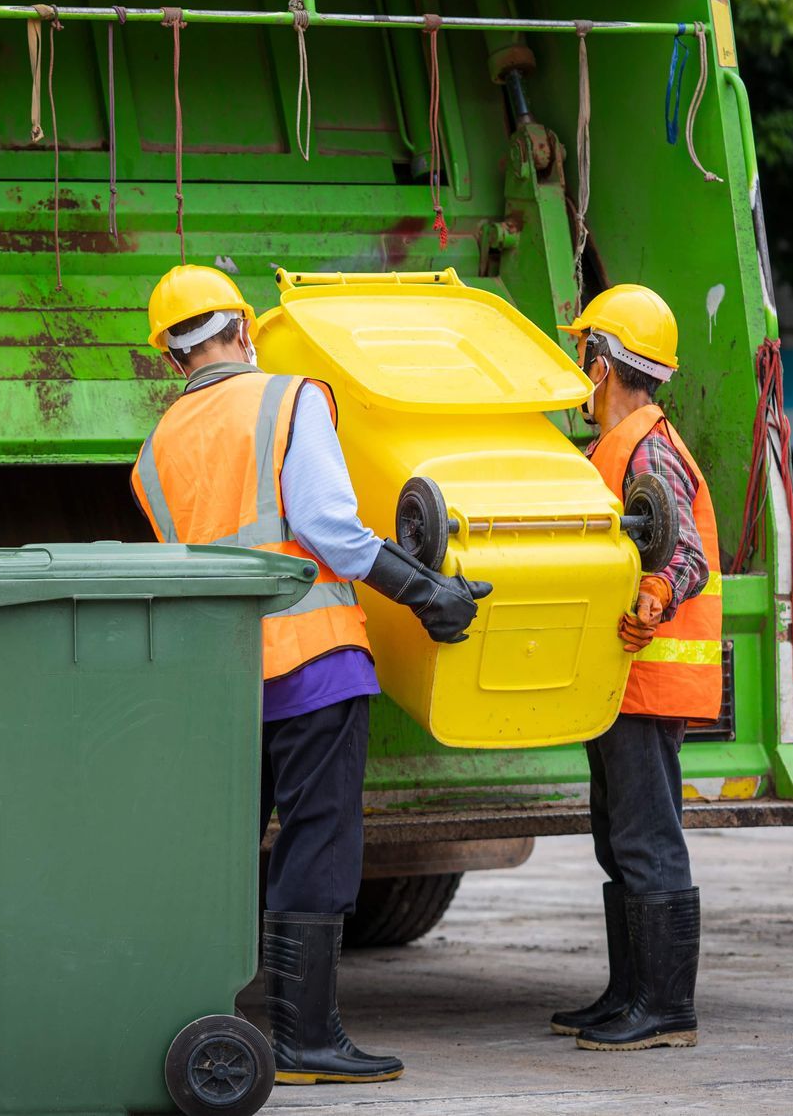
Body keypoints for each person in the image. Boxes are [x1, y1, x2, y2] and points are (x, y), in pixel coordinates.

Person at [129, 264, 492, 1084]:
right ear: (243, 329)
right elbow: (329, 526)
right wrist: (423, 587)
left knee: (224, 850)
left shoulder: (154, 451)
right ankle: (306, 1040)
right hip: (313, 662)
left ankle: (195, 1020)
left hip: (221, 678)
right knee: (319, 840)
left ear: (169, 356)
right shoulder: (287, 399)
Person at [552, 284, 721, 1051]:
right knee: (618, 837)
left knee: (648, 838)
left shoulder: (651, 447)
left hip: (650, 678)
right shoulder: (615, 445)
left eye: (585, 350)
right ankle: (629, 993)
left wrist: (655, 592)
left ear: (603, 361)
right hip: (620, 677)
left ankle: (666, 1006)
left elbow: (682, 552)